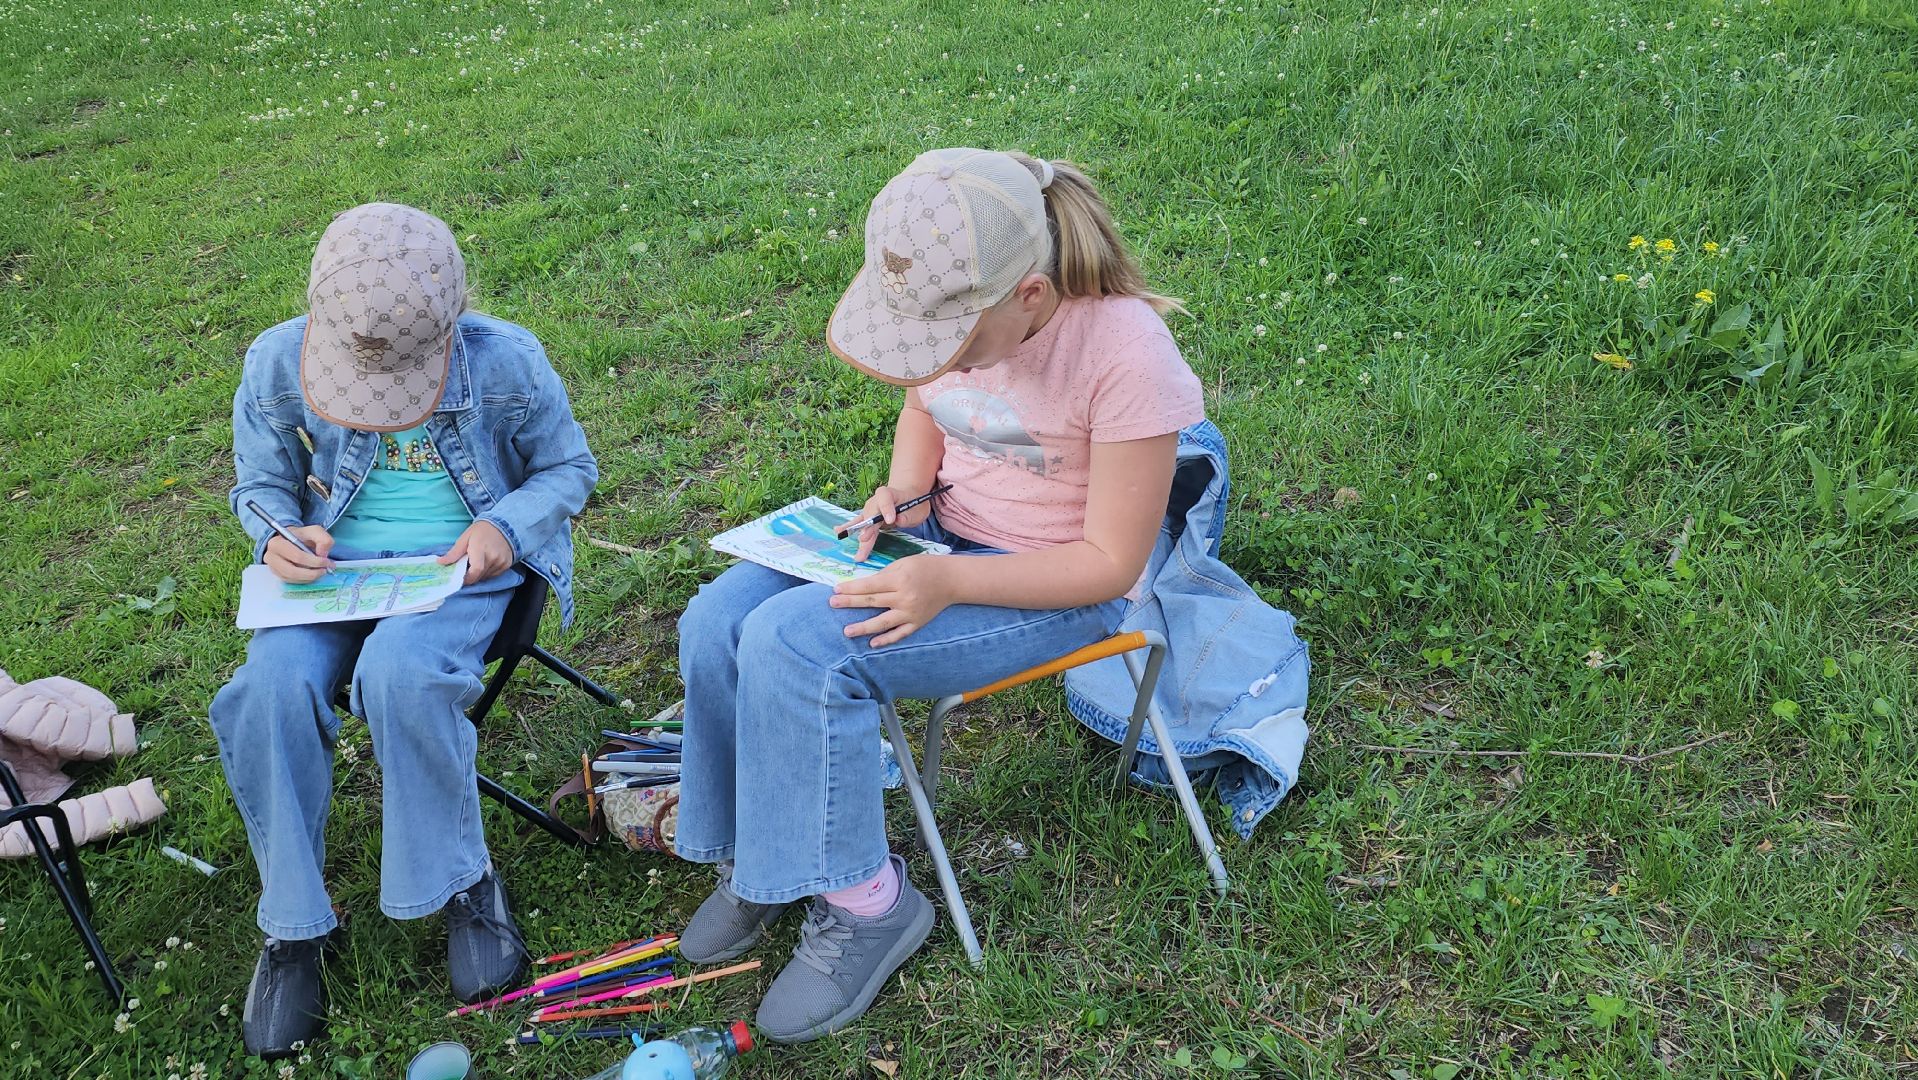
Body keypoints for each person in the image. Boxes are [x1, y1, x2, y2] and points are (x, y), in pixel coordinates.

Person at [673, 149, 1204, 1042]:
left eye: (946, 345)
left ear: (1028, 297)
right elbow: (927, 409)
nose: (930, 360)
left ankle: (869, 903)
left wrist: (948, 576)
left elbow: (1111, 564)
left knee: (799, 649)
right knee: (717, 619)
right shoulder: (951, 310)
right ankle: (764, 858)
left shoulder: (1126, 355)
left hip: (1056, 585)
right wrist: (904, 496)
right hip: (943, 539)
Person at [208, 203, 597, 1057]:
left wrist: (505, 528)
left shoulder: (508, 360)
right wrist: (276, 534)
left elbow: (570, 467)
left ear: (452, 320)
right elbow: (258, 485)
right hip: (332, 580)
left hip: (461, 571)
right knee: (264, 690)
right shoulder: (276, 360)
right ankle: (293, 923)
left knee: (403, 676)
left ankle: (462, 881)